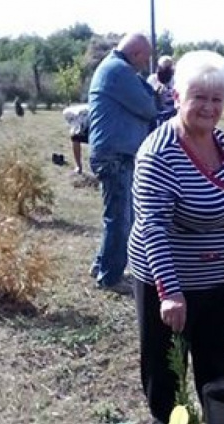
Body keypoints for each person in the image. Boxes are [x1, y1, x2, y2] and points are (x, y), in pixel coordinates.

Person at [128, 50, 224, 424]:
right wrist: (169, 292)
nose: (209, 107)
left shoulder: (216, 139)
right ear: (176, 95)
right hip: (170, 281)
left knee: (213, 359)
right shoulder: (158, 153)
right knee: (167, 367)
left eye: (217, 98)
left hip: (219, 277)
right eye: (199, 96)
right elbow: (153, 227)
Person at [87, 33, 158, 293]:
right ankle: (110, 277)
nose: (145, 64)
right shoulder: (118, 71)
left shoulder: (115, 68)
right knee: (120, 220)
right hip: (114, 155)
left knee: (118, 217)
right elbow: (149, 107)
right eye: (145, 59)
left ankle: (102, 265)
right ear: (137, 53)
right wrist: (152, 94)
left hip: (115, 153)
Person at [147, 55, 177, 125]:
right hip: (157, 112)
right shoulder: (152, 79)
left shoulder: (175, 79)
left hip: (171, 112)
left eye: (168, 66)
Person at [62, 103, 90, 174]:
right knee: (75, 138)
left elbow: (80, 124)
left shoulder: (80, 113)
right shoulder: (69, 113)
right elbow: (75, 127)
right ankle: (79, 167)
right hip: (85, 119)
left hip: (95, 120)